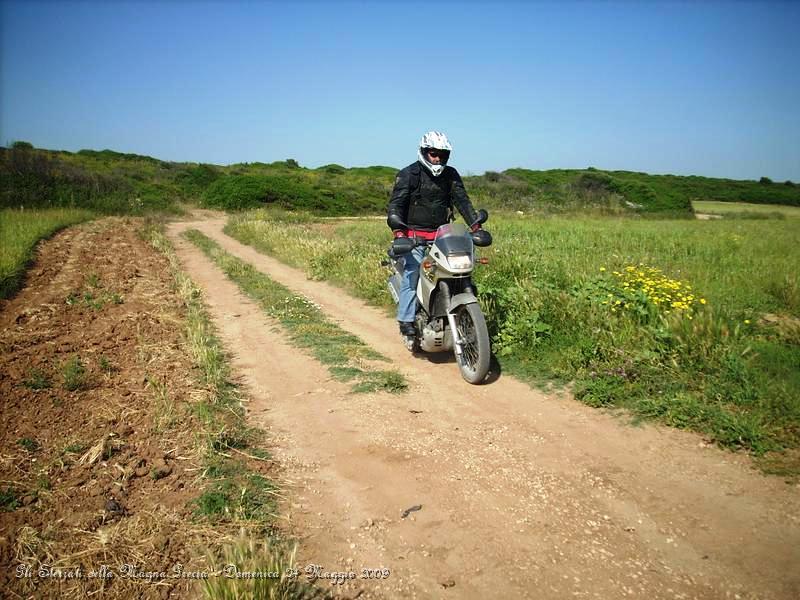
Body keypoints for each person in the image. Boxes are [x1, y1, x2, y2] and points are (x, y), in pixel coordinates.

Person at [387, 131, 482, 336]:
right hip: (413, 236)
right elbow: (396, 206)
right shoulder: (408, 174)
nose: (437, 158)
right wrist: (399, 232)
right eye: (433, 153)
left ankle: (465, 317)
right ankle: (406, 319)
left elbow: (462, 202)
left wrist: (476, 227)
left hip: (442, 234)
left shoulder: (451, 174)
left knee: (459, 271)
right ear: (423, 152)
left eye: (442, 154)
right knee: (413, 273)